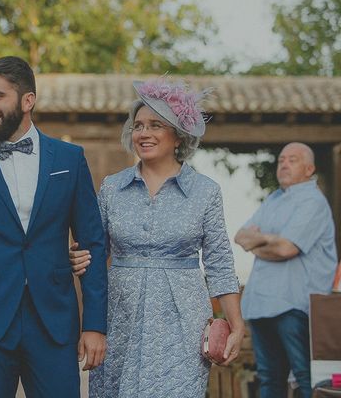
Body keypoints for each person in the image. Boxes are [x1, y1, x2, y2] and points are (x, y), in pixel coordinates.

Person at [0, 56, 108, 398]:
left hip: (54, 322)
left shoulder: (70, 160)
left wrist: (95, 324)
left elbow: (93, 243)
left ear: (28, 101)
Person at [70, 79, 244, 397]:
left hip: (184, 319)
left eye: (155, 125)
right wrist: (78, 256)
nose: (143, 133)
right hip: (121, 314)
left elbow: (219, 261)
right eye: (138, 126)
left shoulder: (206, 192)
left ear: (178, 135)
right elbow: (94, 250)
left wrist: (236, 324)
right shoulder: (112, 188)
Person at [234, 142, 337, 398]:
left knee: (305, 378)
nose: (284, 164)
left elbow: (287, 249)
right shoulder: (274, 199)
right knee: (269, 379)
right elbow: (240, 237)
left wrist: (260, 243)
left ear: (309, 168)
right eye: (281, 160)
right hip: (260, 304)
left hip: (293, 304)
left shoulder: (313, 201)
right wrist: (271, 241)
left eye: (293, 159)